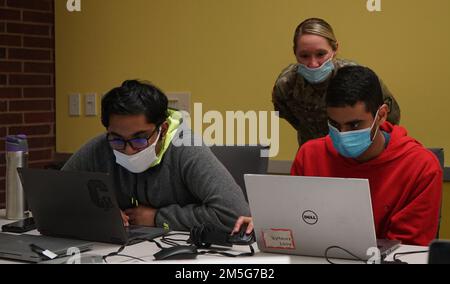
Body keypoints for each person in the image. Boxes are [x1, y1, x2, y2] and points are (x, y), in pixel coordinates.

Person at [234, 66, 442, 246]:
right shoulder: (310, 155)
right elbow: (297, 228)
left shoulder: (421, 167)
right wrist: (266, 225)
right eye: (334, 124)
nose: (342, 135)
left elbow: (407, 250)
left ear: (382, 114)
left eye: (354, 124)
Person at [63, 80, 250, 232]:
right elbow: (53, 196)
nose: (128, 150)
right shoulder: (100, 147)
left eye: (139, 139)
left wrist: (158, 218)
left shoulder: (186, 149)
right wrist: (95, 212)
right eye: (118, 140)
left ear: (163, 129)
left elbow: (234, 215)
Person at [272, 18, 401, 146]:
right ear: (295, 53)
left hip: (355, 151)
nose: (313, 64)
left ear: (335, 49)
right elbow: (290, 117)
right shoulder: (286, 85)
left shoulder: (356, 78)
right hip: (314, 152)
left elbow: (390, 116)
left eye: (321, 54)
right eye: (304, 56)